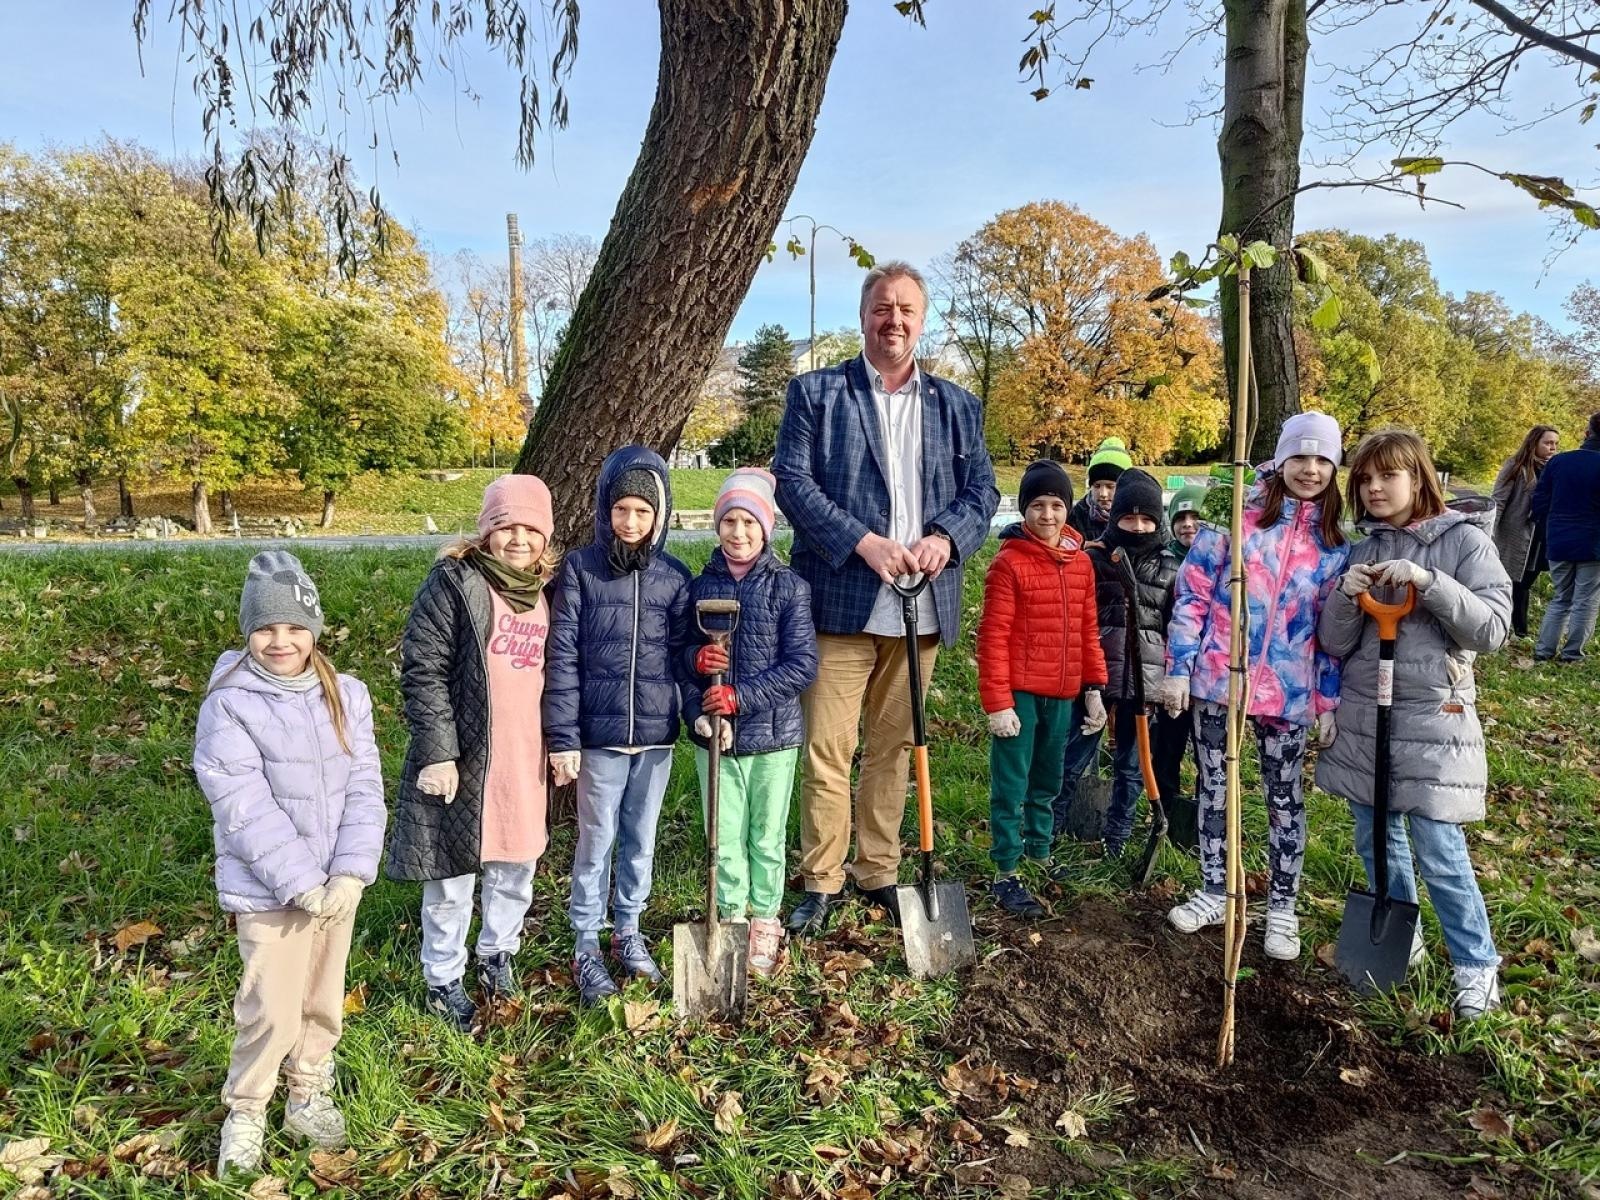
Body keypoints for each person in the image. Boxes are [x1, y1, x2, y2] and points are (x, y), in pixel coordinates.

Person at [772, 260, 1000, 936]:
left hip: (919, 607)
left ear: (921, 320)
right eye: (881, 307)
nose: (892, 319)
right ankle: (821, 877)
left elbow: (982, 493)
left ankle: (877, 871)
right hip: (840, 599)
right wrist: (862, 542)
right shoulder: (817, 393)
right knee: (828, 749)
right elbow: (792, 480)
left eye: (905, 309)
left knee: (894, 748)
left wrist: (946, 539)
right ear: (864, 315)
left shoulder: (957, 405)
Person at [194, 552, 385, 1176]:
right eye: (266, 629)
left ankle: (308, 1087)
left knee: (322, 998)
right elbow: (240, 802)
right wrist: (301, 883)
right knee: (271, 1007)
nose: (281, 641)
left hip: (336, 886)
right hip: (272, 891)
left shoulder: (347, 694)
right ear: (246, 630)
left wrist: (351, 871)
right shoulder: (229, 703)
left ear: (316, 628)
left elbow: (365, 785)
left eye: (294, 627)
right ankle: (247, 1107)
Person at [1316, 429, 1510, 1019]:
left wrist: (1430, 584)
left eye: (1387, 477)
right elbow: (1334, 641)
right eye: (1365, 480)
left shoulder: (1465, 542)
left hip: (1434, 717)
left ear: (1417, 476)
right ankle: (1404, 937)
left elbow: (1494, 629)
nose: (1374, 489)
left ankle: (1476, 965)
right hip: (1367, 713)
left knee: (1438, 846)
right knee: (1376, 838)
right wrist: (1345, 597)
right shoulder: (1360, 549)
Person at [1163, 412, 1350, 960]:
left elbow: (1333, 631)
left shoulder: (1337, 544)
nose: (1310, 469)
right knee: (1215, 792)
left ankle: (1284, 906)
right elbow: (1193, 595)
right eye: (1301, 457)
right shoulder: (1235, 520)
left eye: (1322, 460)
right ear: (1281, 459)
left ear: (1334, 469)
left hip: (1288, 697)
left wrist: (1326, 699)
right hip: (1220, 683)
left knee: (1284, 799)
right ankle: (1214, 889)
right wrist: (1180, 666)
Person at [386, 475, 559, 1031]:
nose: (518, 539)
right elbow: (424, 668)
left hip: (523, 756)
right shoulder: (455, 583)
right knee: (453, 875)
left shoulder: (542, 591)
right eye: (507, 526)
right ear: (487, 530)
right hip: (466, 758)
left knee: (516, 864)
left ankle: (496, 953)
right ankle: (443, 977)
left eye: (530, 529)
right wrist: (439, 753)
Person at [544, 445, 694, 1004]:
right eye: (622, 509)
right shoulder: (581, 571)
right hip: (599, 740)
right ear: (606, 509)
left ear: (660, 516)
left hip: (655, 739)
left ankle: (627, 930)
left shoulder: (674, 577)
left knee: (640, 840)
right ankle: (586, 940)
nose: (631, 522)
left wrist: (700, 709)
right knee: (596, 839)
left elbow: (684, 657)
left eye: (643, 512)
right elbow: (561, 657)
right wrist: (564, 736)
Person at [683, 468, 818, 975]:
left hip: (773, 737)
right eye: (729, 522)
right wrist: (699, 670)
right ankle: (731, 915)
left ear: (766, 528)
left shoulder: (789, 588)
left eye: (748, 523)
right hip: (713, 737)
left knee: (765, 834)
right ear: (718, 527)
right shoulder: (700, 587)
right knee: (723, 829)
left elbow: (802, 664)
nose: (738, 533)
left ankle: (766, 917)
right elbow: (679, 657)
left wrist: (740, 697)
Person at [977, 460, 1107, 917]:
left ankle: (1039, 851)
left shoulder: (1081, 564)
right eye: (1037, 505)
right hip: (1021, 695)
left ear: (1068, 509)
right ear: (1024, 509)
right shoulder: (1009, 564)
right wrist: (998, 702)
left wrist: (1094, 686)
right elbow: (992, 636)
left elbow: (1088, 630)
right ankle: (1006, 869)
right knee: (1012, 781)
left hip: (1064, 693)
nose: (1047, 515)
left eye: (1056, 505)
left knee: (1048, 779)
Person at [1074, 469, 1178, 858]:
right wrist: (1089, 684)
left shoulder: (1169, 567)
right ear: (1115, 518)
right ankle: (1051, 833)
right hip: (1096, 680)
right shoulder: (1094, 560)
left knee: (1132, 769)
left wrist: (1168, 680)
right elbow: (1082, 623)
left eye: (1146, 519)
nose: (1137, 527)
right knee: (1075, 758)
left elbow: (1173, 625)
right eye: (1128, 518)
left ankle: (1117, 838)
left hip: (1144, 684)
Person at [1155, 482, 1208, 850]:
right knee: (1167, 750)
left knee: (1210, 757)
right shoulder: (1166, 562)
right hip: (1173, 673)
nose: (1188, 524)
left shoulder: (1224, 562)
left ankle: (1208, 820)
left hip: (1211, 677)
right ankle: (1164, 814)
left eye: (1196, 517)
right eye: (1181, 518)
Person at [1531, 412, 1600, 663]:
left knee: (1561, 597)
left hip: (1558, 539)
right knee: (1585, 601)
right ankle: (1572, 654)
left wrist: (1549, 526)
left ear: (1587, 432)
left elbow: (1540, 500)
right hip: (1593, 543)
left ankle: (1543, 650)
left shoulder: (1559, 462)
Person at [1491, 425, 1559, 637]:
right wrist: (1490, 532)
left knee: (1526, 582)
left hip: (1541, 536)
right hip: (1515, 534)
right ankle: (1515, 630)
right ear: (1534, 443)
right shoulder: (1516, 466)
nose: (1552, 448)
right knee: (1512, 582)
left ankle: (1518, 630)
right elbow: (1499, 501)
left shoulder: (1553, 469)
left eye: (1555, 444)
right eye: (1548, 443)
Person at [1070, 436, 1132, 541]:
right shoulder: (1076, 516)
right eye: (1097, 486)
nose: (1103, 493)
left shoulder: (1140, 513)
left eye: (1110, 486)